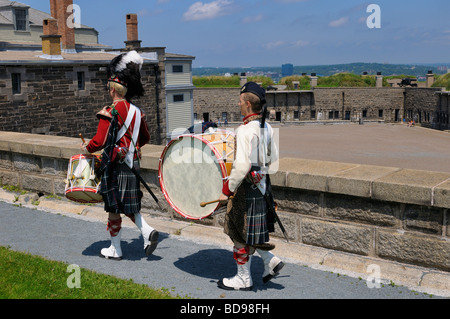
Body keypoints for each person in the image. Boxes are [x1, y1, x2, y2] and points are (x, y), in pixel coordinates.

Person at [81, 50, 159, 260]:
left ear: (112, 88)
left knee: (116, 205)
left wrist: (87, 148)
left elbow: (100, 140)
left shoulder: (111, 111)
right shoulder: (137, 112)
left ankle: (142, 233)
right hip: (133, 163)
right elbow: (145, 137)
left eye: (108, 87)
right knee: (120, 206)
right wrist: (130, 149)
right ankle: (120, 245)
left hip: (115, 165)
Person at [217, 82, 284, 291]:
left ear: (247, 104)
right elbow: (273, 161)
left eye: (239, 102)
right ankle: (269, 259)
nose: (238, 105)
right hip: (262, 189)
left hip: (245, 191)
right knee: (249, 233)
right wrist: (260, 177)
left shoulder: (244, 130)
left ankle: (243, 279)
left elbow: (242, 166)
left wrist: (226, 190)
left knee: (237, 233)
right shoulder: (268, 127)